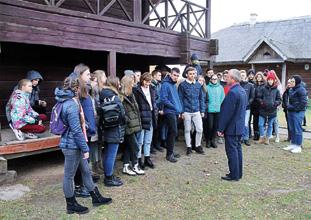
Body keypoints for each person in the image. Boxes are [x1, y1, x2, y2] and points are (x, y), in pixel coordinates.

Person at [55, 77, 111, 215]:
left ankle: (95, 197)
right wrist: (85, 149)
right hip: (72, 146)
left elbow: (77, 125)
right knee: (68, 176)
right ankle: (71, 205)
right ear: (76, 89)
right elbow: (76, 130)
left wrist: (84, 124)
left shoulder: (70, 101)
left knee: (86, 170)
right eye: (82, 87)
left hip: (74, 144)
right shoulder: (71, 104)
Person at [217, 69, 247, 181]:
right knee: (237, 150)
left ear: (233, 79)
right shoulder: (242, 91)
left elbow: (226, 113)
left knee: (232, 151)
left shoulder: (233, 92)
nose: (226, 78)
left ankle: (234, 174)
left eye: (228, 76)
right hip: (239, 126)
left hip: (232, 128)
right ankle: (238, 173)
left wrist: (220, 129)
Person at [99, 76, 126, 187]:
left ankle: (109, 175)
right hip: (114, 128)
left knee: (107, 153)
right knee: (111, 154)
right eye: (118, 83)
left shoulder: (102, 95)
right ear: (114, 84)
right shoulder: (114, 98)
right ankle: (109, 178)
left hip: (105, 128)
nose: (119, 85)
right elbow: (122, 114)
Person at [120, 75, 145, 175]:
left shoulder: (131, 94)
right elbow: (122, 113)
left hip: (133, 125)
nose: (134, 84)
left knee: (129, 147)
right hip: (128, 126)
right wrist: (128, 121)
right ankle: (135, 165)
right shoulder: (121, 97)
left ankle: (126, 166)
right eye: (132, 83)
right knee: (135, 147)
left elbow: (135, 109)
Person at [133, 72, 158, 169]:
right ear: (142, 80)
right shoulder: (137, 90)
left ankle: (147, 157)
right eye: (146, 82)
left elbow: (154, 100)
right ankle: (139, 159)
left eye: (149, 82)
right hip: (142, 116)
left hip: (151, 115)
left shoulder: (152, 88)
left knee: (148, 139)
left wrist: (155, 110)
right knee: (140, 140)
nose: (148, 84)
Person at [178, 67, 205, 155]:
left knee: (200, 129)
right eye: (190, 74)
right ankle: (189, 147)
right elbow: (180, 99)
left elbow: (201, 98)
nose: (192, 75)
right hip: (186, 110)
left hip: (196, 110)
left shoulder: (198, 85)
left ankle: (197, 145)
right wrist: (181, 111)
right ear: (186, 74)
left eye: (194, 74)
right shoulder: (182, 85)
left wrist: (202, 110)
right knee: (187, 129)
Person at [160, 67, 182, 162]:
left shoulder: (173, 85)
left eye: (177, 76)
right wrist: (174, 106)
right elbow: (163, 99)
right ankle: (169, 154)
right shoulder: (165, 84)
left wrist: (179, 109)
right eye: (174, 75)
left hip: (175, 111)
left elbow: (176, 98)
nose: (176, 77)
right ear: (170, 74)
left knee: (172, 132)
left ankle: (171, 152)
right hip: (169, 112)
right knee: (173, 131)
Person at [283, 75, 308, 153]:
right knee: (292, 128)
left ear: (297, 82)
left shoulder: (301, 90)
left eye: (293, 81)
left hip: (298, 112)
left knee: (297, 129)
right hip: (291, 111)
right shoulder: (291, 89)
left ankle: (298, 146)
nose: (291, 82)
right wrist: (288, 106)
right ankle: (293, 144)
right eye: (291, 81)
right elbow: (287, 98)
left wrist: (295, 109)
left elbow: (304, 102)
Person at [257, 72, 282, 145]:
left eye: (272, 80)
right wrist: (262, 102)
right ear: (267, 80)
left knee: (270, 125)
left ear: (274, 80)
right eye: (269, 80)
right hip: (263, 110)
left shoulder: (276, 90)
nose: (270, 81)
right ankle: (262, 137)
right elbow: (258, 97)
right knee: (260, 124)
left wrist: (275, 104)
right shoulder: (263, 89)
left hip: (272, 110)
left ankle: (267, 138)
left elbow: (279, 99)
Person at [205, 74, 225, 148]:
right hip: (210, 110)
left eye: (215, 79)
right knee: (209, 126)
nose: (214, 80)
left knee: (215, 126)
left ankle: (213, 140)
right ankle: (208, 140)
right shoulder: (207, 87)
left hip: (218, 109)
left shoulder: (220, 87)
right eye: (213, 79)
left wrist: (219, 104)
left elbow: (222, 97)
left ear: (218, 79)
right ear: (210, 80)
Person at [240, 70, 255, 146]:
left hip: (247, 108)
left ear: (246, 76)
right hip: (239, 108)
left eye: (243, 75)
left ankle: (246, 138)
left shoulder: (250, 85)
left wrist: (247, 104)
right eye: (241, 75)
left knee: (246, 123)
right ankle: (241, 138)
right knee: (240, 123)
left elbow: (252, 97)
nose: (242, 76)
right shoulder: (238, 85)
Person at [151, 69, 165, 153]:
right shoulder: (152, 85)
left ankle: (157, 144)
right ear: (154, 76)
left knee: (159, 128)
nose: (160, 77)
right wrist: (158, 109)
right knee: (154, 129)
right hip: (155, 110)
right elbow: (154, 99)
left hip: (160, 110)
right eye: (159, 75)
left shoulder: (159, 84)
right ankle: (152, 146)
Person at [252, 72, 266, 141]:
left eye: (260, 77)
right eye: (257, 77)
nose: (258, 78)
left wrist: (261, 101)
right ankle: (255, 134)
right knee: (255, 120)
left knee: (261, 121)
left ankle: (261, 134)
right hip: (255, 105)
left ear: (262, 78)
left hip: (261, 105)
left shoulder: (264, 85)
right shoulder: (254, 85)